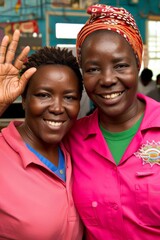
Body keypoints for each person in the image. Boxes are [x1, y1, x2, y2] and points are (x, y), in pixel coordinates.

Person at [1, 4, 160, 240]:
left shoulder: (67, 141)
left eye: (120, 65)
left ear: (139, 61)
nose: (107, 79)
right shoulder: (73, 137)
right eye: (93, 68)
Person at [0, 30, 83, 239]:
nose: (57, 108)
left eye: (69, 97)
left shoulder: (78, 149)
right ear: (24, 99)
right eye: (44, 95)